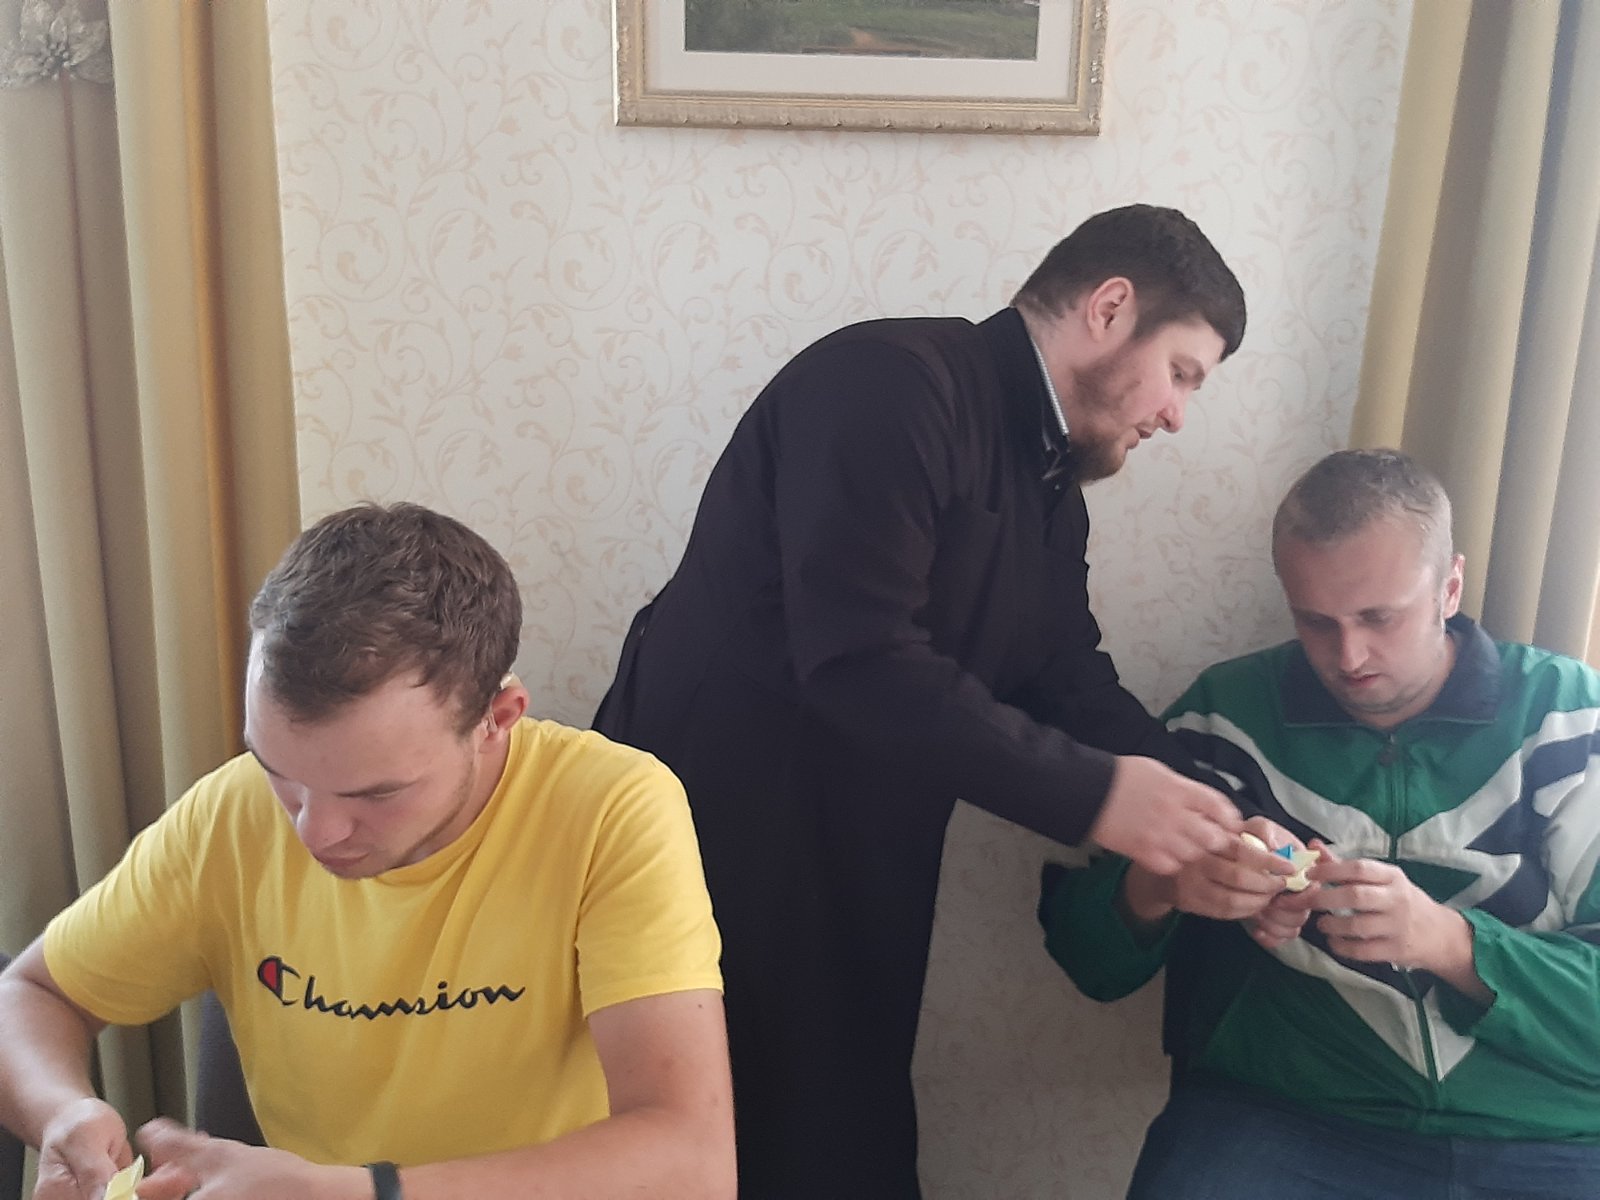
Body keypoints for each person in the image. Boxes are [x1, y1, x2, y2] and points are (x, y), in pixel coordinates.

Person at [594, 204, 1250, 1198]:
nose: (1176, 416)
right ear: (1111, 308)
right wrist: (1100, 799)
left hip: (866, 851)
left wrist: (1226, 816)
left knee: (843, 1143)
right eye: (1183, 373)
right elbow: (858, 659)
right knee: (718, 1145)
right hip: (719, 834)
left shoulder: (1049, 481)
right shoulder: (889, 384)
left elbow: (1063, 675)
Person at [0, 503, 735, 1200]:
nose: (314, 832)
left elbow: (693, 1165)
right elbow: (30, 995)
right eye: (279, 772)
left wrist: (363, 1191)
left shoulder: (610, 808)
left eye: (377, 793)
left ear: (498, 718)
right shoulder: (230, 812)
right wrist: (61, 1111)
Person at [1040, 449, 1600, 1199]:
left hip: (1547, 1128)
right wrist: (1163, 883)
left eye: (1379, 617)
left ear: (1450, 587)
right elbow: (1090, 964)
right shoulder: (1224, 720)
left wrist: (1448, 943)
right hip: (1288, 1112)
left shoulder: (1571, 721)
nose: (1350, 656)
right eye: (1315, 621)